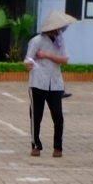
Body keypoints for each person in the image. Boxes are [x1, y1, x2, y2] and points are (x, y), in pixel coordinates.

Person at [21, 11, 74, 158]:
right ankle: (36, 144)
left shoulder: (60, 40)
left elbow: (65, 60)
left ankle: (58, 147)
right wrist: (29, 64)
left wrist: (47, 55)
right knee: (36, 115)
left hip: (55, 83)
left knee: (58, 116)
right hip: (38, 82)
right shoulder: (37, 41)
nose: (61, 30)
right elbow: (27, 60)